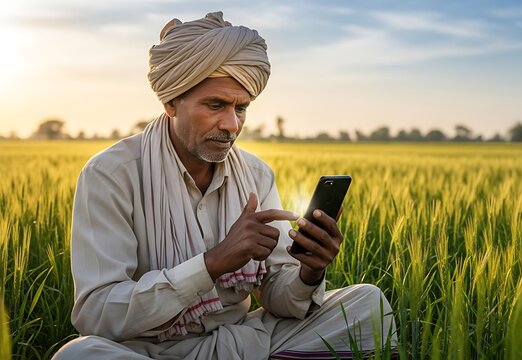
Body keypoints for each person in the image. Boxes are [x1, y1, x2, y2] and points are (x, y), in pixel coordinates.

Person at [54, 11, 397, 360]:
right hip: (146, 351)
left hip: (241, 343)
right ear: (171, 102)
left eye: (242, 108)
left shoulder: (256, 174)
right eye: (216, 105)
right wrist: (213, 263)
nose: (232, 124)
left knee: (366, 303)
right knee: (78, 355)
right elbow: (98, 315)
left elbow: (279, 297)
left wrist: (310, 272)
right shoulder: (112, 174)